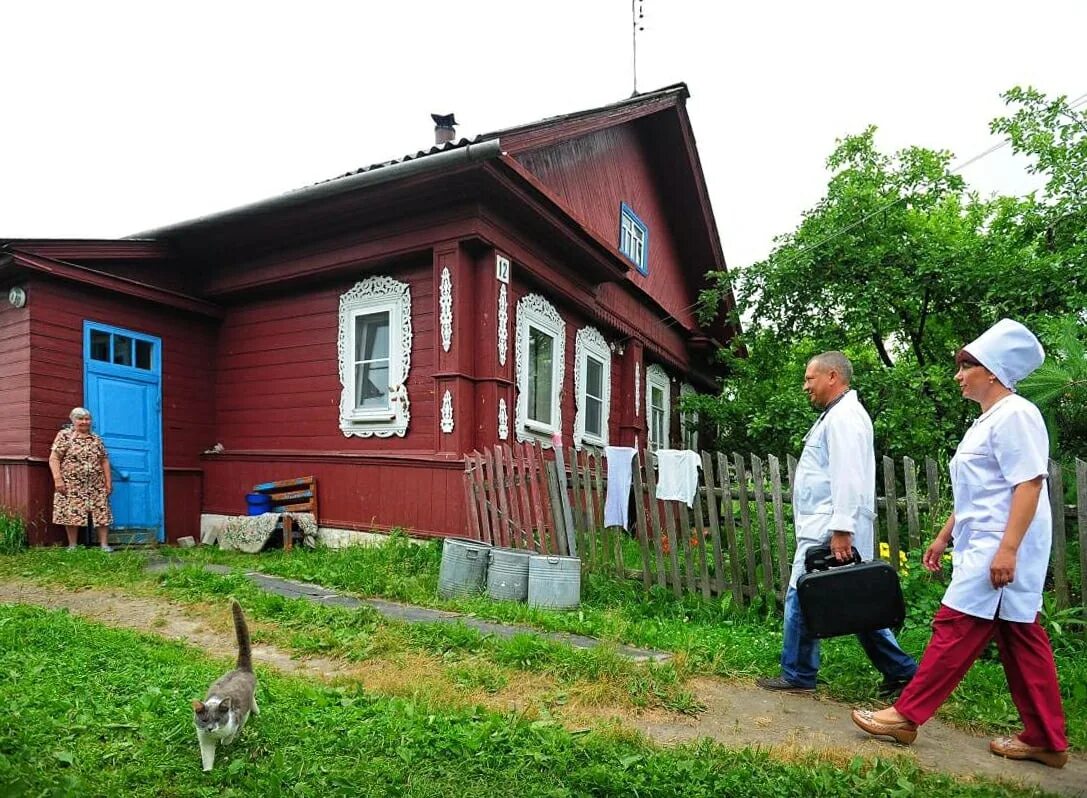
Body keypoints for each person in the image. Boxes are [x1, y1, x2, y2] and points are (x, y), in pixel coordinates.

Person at [852, 319, 1068, 769]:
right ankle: (1046, 739)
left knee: (955, 627)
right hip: (984, 541)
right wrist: (945, 532)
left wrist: (1008, 549)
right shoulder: (987, 421)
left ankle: (905, 716)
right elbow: (981, 489)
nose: (958, 374)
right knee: (1020, 638)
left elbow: (1028, 485)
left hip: (1001, 546)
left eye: (966, 365)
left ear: (992, 370)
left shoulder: (1017, 415)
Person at [757, 352, 917, 696]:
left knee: (804, 592)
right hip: (830, 526)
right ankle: (902, 670)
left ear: (832, 376)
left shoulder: (844, 418)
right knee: (853, 600)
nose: (805, 387)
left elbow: (847, 475)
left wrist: (842, 530)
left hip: (832, 529)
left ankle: (798, 674)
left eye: (809, 379)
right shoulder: (838, 415)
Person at [49, 407, 114, 552]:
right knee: (72, 512)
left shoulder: (96, 438)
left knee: (102, 512)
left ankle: (104, 545)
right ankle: (73, 545)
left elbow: (104, 460)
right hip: (71, 483)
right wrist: (58, 479)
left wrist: (108, 482)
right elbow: (54, 458)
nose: (85, 422)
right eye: (80, 419)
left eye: (87, 419)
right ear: (72, 420)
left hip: (96, 484)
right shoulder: (65, 436)